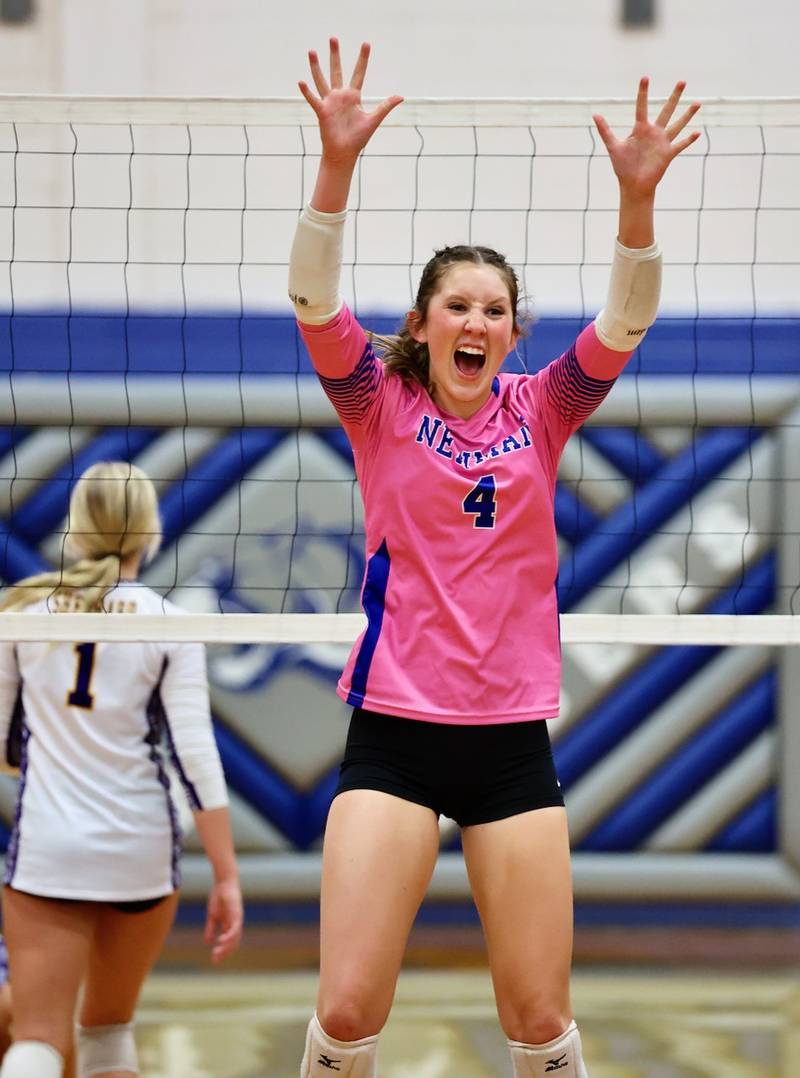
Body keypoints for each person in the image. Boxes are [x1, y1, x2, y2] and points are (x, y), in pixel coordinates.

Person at [289, 39, 700, 1078]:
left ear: (511, 332)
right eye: (455, 306)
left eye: (492, 310)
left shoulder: (542, 408)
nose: (474, 321)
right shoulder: (375, 405)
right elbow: (310, 302)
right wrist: (333, 168)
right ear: (422, 327)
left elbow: (627, 318)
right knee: (343, 1011)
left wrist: (636, 196)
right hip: (393, 729)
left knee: (538, 1021)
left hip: (508, 737)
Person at [0, 461, 243, 1078]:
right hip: (140, 851)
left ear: (75, 531)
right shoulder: (170, 624)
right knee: (108, 1035)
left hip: (50, 849)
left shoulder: (22, 615)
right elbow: (196, 757)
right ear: (149, 533)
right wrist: (226, 876)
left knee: (34, 1039)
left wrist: (61, 753)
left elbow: (6, 747)